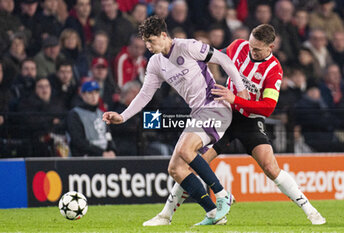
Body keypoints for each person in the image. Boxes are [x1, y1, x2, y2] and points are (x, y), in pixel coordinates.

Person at [143, 24, 326, 226]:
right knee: (193, 164)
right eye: (250, 45)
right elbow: (215, 57)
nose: (251, 51)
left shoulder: (274, 70)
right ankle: (166, 214)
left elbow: (267, 108)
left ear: (270, 47)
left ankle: (310, 211)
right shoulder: (239, 46)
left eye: (257, 49)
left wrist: (235, 98)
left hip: (250, 120)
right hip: (223, 114)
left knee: (270, 167)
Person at [103, 16, 247, 225]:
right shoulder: (155, 63)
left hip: (215, 106)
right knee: (176, 169)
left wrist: (240, 93)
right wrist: (123, 116)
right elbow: (145, 95)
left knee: (185, 151)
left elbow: (224, 60)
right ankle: (213, 213)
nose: (148, 46)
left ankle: (222, 194)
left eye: (151, 41)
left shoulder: (188, 46)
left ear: (163, 35)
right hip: (197, 112)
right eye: (146, 42)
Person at [67, 80, 117, 157]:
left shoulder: (101, 113)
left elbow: (108, 134)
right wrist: (101, 153)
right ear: (82, 95)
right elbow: (78, 141)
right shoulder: (75, 114)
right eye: (90, 93)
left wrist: (112, 149)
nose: (94, 96)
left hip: (104, 156)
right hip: (85, 157)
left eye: (96, 92)